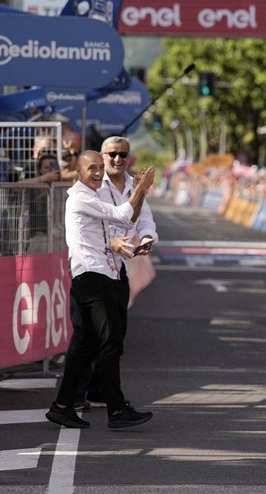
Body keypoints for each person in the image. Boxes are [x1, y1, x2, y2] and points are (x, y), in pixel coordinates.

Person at [45, 151, 155, 429]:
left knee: (87, 345)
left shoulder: (93, 197)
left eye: (98, 168)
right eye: (91, 168)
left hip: (97, 275)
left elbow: (124, 222)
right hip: (93, 278)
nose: (97, 173)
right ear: (78, 172)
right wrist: (141, 188)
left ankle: (61, 406)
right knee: (111, 341)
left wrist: (139, 193)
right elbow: (121, 214)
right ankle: (116, 409)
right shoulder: (81, 197)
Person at [71, 136, 158, 410]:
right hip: (92, 270)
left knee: (115, 334)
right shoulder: (93, 185)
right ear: (102, 156)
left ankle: (98, 391)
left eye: (123, 154)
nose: (117, 160)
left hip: (117, 269)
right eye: (112, 155)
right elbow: (90, 227)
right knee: (87, 335)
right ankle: (78, 396)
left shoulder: (134, 185)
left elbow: (145, 220)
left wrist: (146, 238)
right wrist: (112, 242)